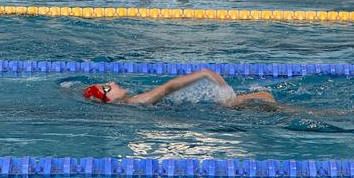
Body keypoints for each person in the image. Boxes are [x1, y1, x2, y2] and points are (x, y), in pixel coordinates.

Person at [83, 69, 278, 108]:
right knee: (265, 96)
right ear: (108, 100)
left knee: (264, 100)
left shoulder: (132, 102)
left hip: (203, 110)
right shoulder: (135, 101)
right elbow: (168, 87)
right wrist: (203, 73)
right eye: (108, 88)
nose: (113, 83)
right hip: (214, 111)